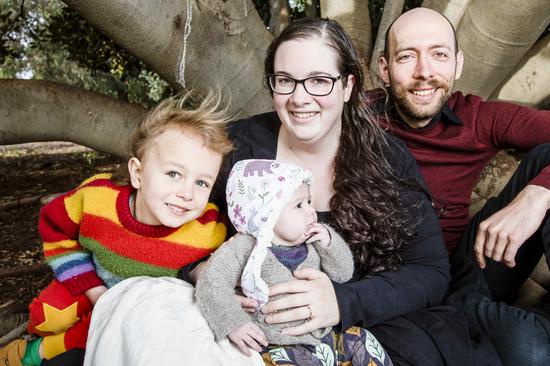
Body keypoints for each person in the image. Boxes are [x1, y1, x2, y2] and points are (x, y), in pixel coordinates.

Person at [82, 17, 490, 366]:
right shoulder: (235, 150)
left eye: (319, 81)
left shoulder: (387, 158)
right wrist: (196, 269)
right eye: (285, 81)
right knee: (145, 308)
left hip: (353, 325)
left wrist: (342, 301)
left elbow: (431, 272)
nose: (299, 98)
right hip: (242, 326)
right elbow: (163, 219)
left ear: (348, 86)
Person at [372, 7, 550, 366]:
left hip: (469, 270)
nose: (424, 72)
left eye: (439, 55)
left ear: (458, 65)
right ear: (384, 68)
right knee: (534, 354)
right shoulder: (354, 117)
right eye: (407, 56)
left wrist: (536, 197)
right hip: (394, 293)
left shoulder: (479, 117)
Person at [0, 91, 234, 366]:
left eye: (202, 183)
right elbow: (56, 228)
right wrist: (92, 289)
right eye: (173, 174)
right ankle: (34, 334)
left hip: (135, 310)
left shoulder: (210, 228)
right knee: (48, 316)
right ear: (137, 173)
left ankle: (33, 353)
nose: (187, 193)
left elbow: (231, 262)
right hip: (89, 282)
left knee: (92, 337)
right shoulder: (97, 198)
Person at [197, 159, 392, 365]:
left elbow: (343, 273)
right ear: (267, 213)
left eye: (309, 202)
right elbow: (211, 281)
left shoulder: (313, 240)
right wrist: (233, 322)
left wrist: (329, 241)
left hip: (325, 337)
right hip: (278, 346)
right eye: (299, 205)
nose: (311, 211)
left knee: (362, 339)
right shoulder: (244, 247)